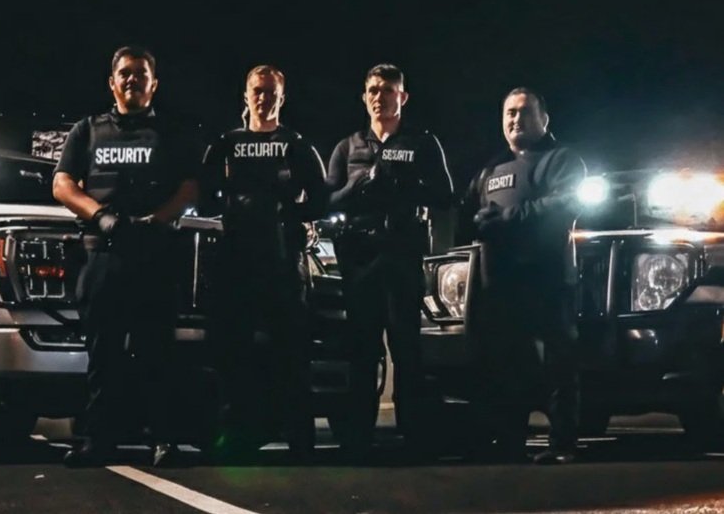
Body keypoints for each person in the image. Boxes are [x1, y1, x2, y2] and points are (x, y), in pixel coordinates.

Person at [53, 46, 199, 467]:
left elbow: (191, 187)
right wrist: (100, 216)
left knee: (158, 353)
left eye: (141, 73)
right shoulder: (88, 130)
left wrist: (158, 219)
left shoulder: (172, 132)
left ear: (154, 83)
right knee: (103, 354)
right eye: (125, 73)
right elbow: (62, 184)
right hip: (103, 253)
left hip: (155, 255)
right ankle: (99, 441)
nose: (132, 79)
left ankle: (164, 441)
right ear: (112, 82)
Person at [326, 64, 453, 457]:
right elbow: (325, 200)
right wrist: (360, 183)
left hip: (401, 256)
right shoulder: (348, 147)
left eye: (387, 90)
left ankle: (414, 438)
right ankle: (357, 440)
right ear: (364, 97)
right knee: (361, 351)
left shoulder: (422, 143)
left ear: (403, 96)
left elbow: (446, 196)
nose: (379, 97)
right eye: (373, 90)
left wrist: (406, 184)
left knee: (407, 350)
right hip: (360, 260)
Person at [201, 65, 327, 459]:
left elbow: (321, 200)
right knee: (234, 354)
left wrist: (290, 216)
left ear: (282, 98)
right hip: (237, 263)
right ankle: (238, 438)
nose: (264, 98)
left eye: (271, 92)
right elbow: (204, 197)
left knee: (292, 354)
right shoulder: (226, 144)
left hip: (284, 263)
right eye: (258, 90)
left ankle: (301, 441)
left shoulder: (297, 145)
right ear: (246, 95)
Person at [462, 87, 586, 464]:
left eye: (524, 112)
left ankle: (562, 444)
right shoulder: (491, 168)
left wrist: (508, 218)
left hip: (548, 278)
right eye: (510, 113)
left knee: (557, 362)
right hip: (501, 283)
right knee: (508, 362)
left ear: (544, 119)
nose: (516, 119)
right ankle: (509, 442)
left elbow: (565, 204)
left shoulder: (563, 160)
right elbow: (467, 211)